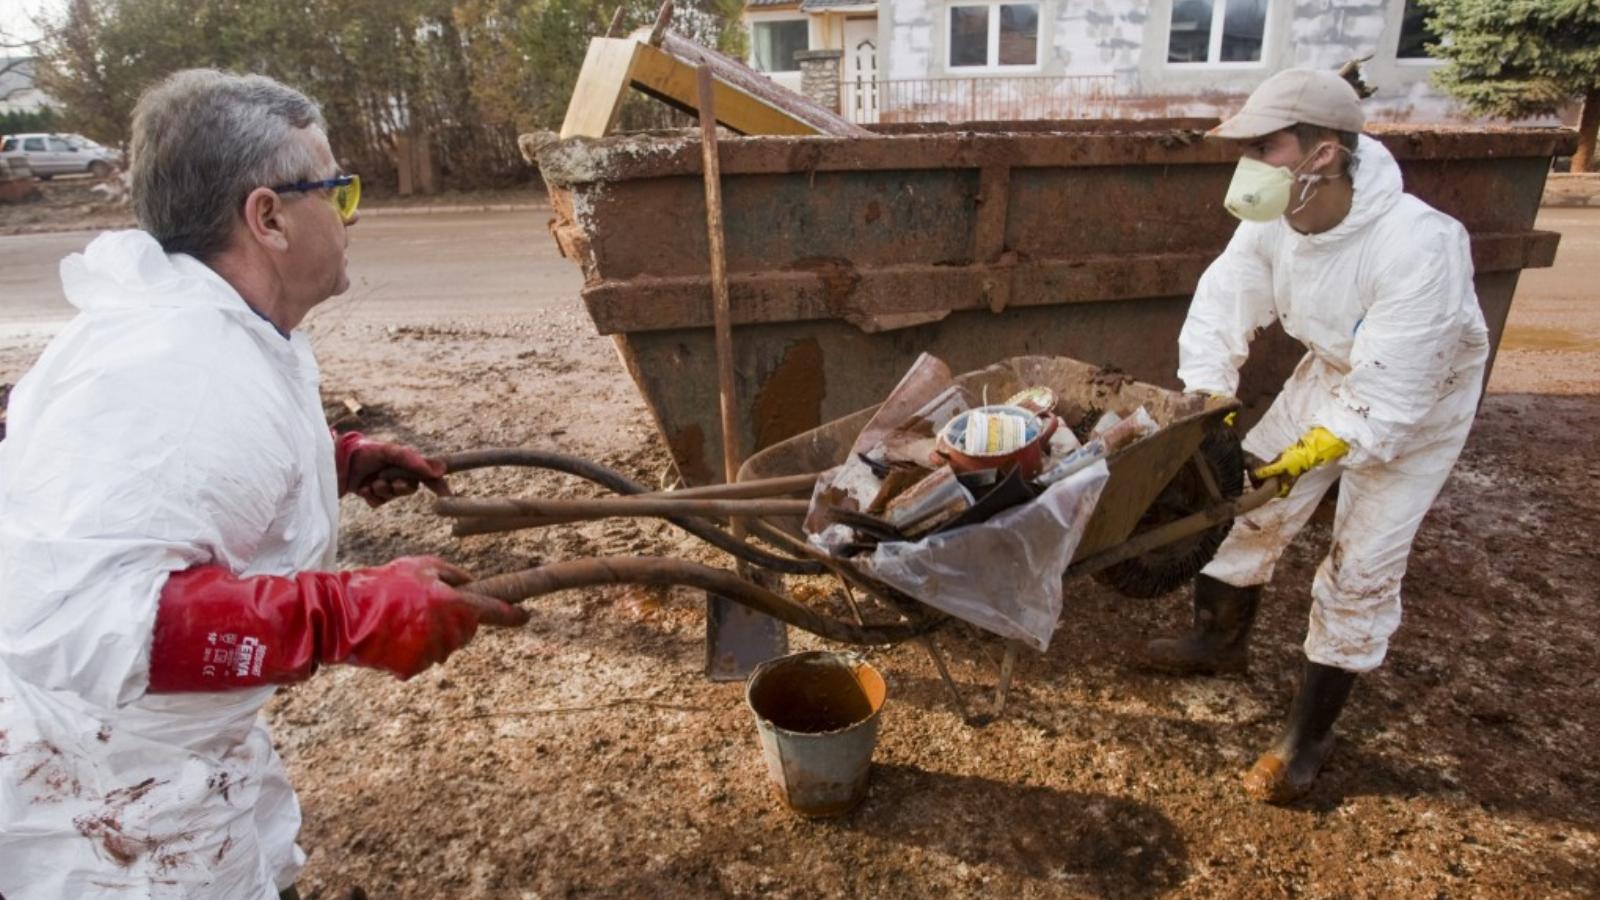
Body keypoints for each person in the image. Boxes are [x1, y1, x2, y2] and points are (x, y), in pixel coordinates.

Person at [0, 70, 528, 898]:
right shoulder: (178, 373)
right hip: (109, 794)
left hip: (171, 750)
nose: (353, 215)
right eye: (338, 190)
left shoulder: (213, 330)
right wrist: (339, 613)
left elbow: (171, 485)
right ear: (269, 216)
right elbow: (79, 618)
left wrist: (330, 462)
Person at [1147, 68, 1488, 803]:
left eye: (1265, 148)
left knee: (1359, 566)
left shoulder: (1419, 245)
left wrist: (1314, 452)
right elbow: (1224, 302)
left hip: (1419, 400)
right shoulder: (1273, 220)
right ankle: (1218, 642)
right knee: (1243, 504)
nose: (1248, 168)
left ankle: (1308, 739)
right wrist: (1210, 397)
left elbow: (1393, 390)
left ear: (1323, 156)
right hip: (1331, 372)